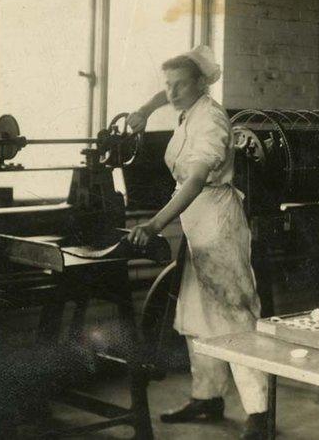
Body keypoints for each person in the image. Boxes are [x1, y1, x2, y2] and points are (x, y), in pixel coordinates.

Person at [126, 45, 270, 440]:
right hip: (195, 224)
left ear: (201, 85)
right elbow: (166, 93)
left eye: (179, 85)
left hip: (218, 222)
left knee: (235, 314)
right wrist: (144, 110)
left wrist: (156, 223)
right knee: (195, 318)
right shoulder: (187, 108)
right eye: (166, 85)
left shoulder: (210, 120)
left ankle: (260, 414)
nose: (170, 93)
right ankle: (207, 398)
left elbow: (193, 181)